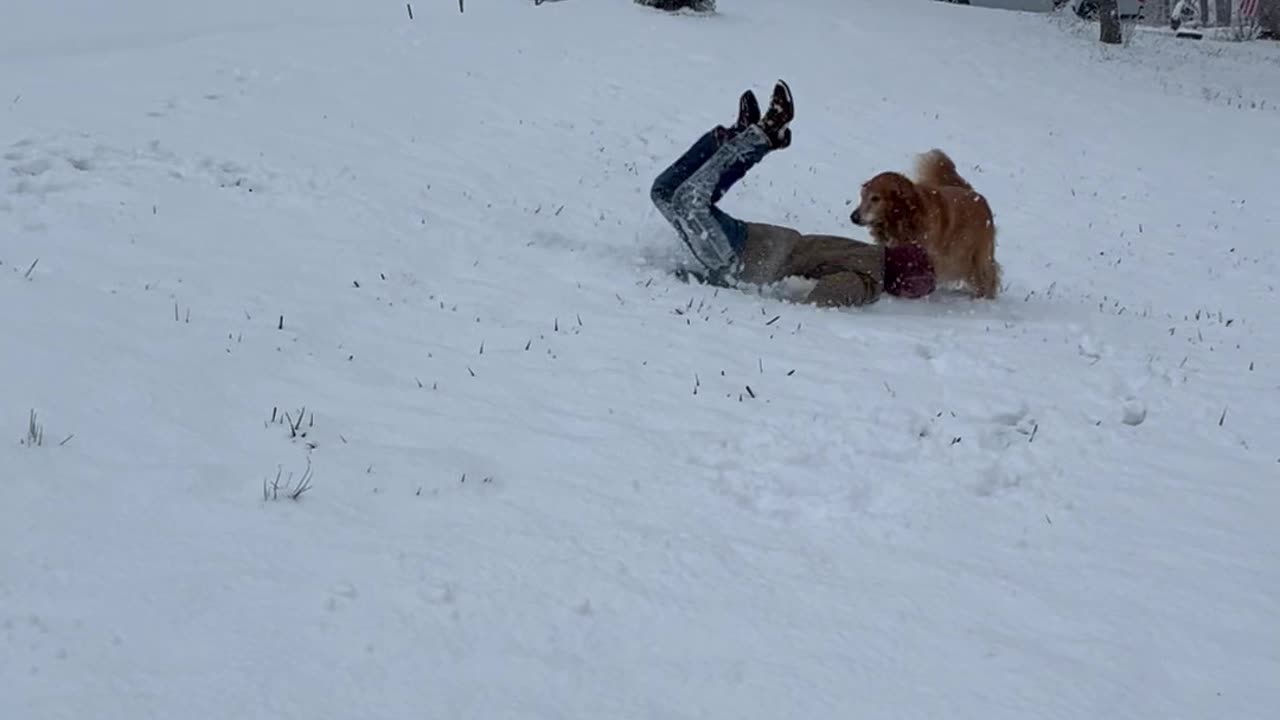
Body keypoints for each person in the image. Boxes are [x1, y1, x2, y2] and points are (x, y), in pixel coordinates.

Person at [650, 80, 936, 308]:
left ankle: (739, 136)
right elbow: (822, 297)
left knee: (668, 193)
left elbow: (820, 296)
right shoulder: (869, 277)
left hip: (746, 253)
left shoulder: (870, 271)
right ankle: (758, 134)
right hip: (746, 251)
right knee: (681, 199)